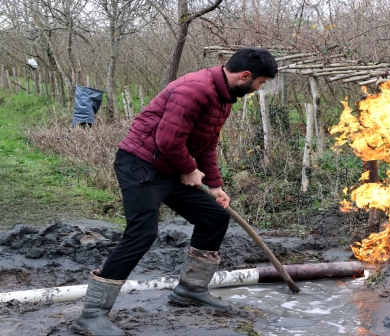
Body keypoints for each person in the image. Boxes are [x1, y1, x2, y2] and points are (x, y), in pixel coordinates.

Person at [75, 47, 278, 336]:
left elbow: (207, 143)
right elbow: (168, 139)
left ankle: (190, 288)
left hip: (170, 165)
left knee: (214, 216)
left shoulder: (224, 98)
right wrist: (187, 168)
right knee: (142, 233)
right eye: (260, 82)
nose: (259, 88)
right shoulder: (194, 89)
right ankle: (92, 314)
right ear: (245, 75)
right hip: (141, 165)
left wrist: (215, 185)